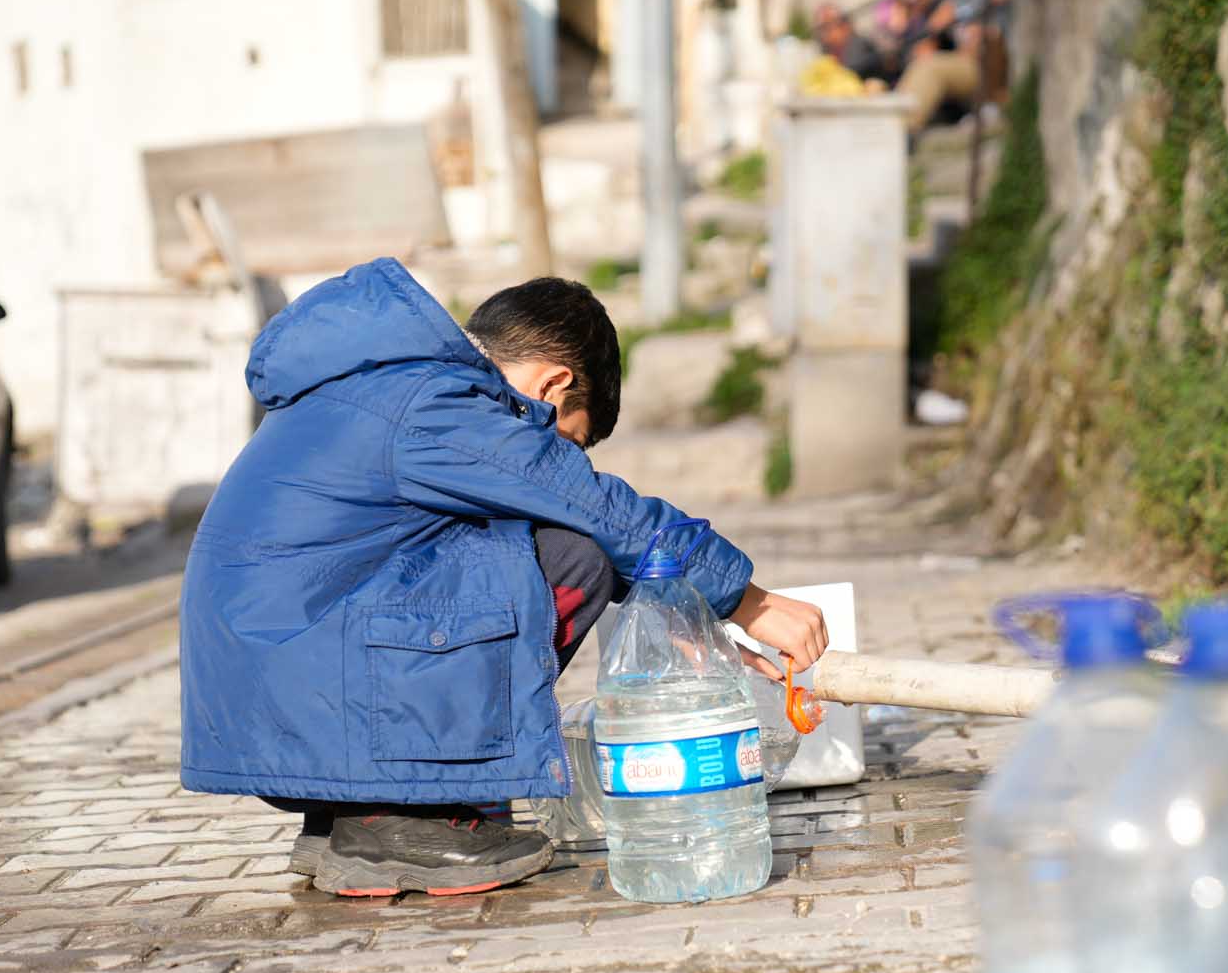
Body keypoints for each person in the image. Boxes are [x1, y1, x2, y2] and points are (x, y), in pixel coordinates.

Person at [178, 259, 830, 899]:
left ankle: (357, 816)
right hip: (298, 695)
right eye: (565, 441)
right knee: (578, 555)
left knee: (527, 545)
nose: (557, 456)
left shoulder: (384, 387)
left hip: (282, 700)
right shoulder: (437, 403)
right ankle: (406, 819)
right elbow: (594, 508)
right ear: (551, 386)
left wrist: (687, 616)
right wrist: (751, 601)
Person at [895, 0, 1016, 134]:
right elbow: (938, 20)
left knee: (930, 68)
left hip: (991, 61)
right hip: (965, 57)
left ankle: (904, 129)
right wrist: (927, 35)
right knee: (923, 60)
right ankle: (894, 122)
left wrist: (964, 19)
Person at [811, 0, 893, 84]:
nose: (823, 35)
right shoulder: (826, 53)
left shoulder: (862, 47)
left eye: (826, 27)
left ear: (845, 26)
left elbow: (854, 73)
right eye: (820, 29)